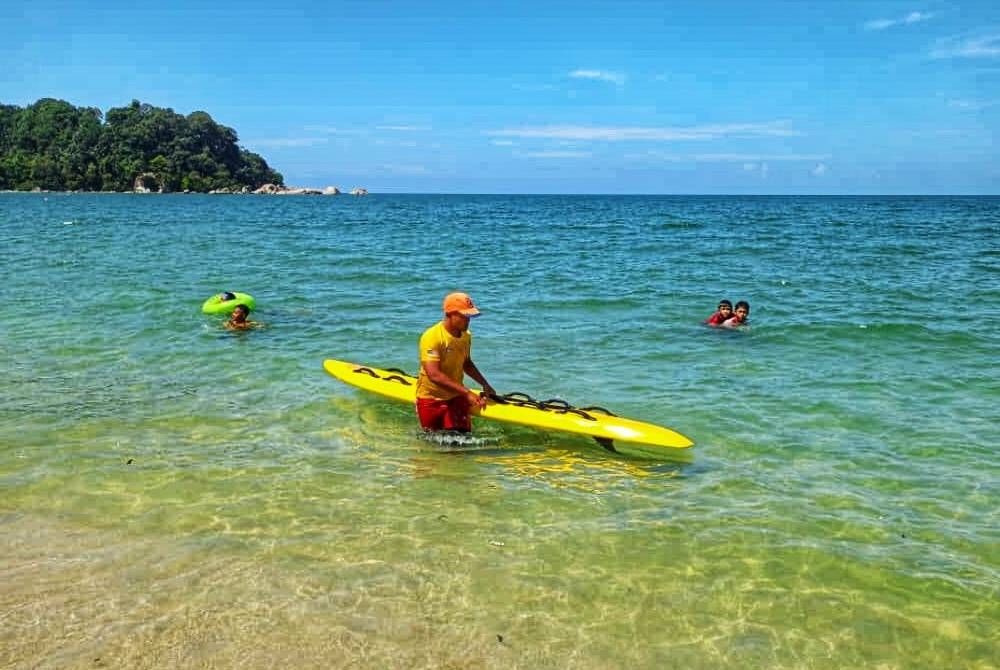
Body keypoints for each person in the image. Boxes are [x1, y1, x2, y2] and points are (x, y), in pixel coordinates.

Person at [415, 291, 496, 433]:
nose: (468, 320)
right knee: (433, 443)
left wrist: (484, 384)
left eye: (469, 316)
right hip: (431, 399)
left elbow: (466, 363)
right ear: (450, 314)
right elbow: (434, 375)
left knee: (462, 440)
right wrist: (467, 393)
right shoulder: (432, 337)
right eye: (464, 316)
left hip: (456, 397)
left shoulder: (466, 336)